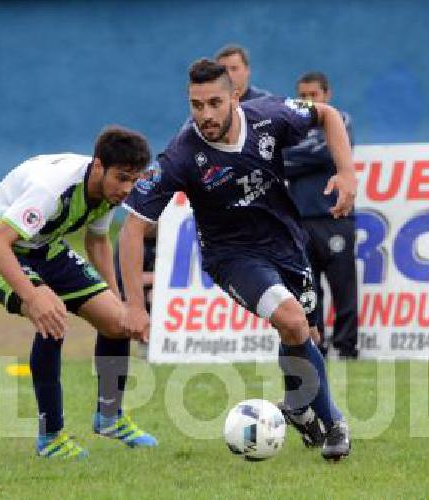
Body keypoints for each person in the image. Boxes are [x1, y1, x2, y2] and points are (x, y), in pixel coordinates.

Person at [118, 58, 357, 461]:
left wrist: (346, 172)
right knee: (293, 320)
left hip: (286, 243)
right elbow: (132, 228)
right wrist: (134, 306)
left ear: (235, 97)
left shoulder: (269, 116)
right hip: (233, 257)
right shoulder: (181, 155)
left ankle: (298, 408)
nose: (205, 115)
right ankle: (334, 424)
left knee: (304, 338)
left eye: (214, 102)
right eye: (196, 105)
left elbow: (327, 115)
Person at [0, 126, 159, 460]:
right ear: (98, 166)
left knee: (117, 322)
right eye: (122, 178)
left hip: (43, 246)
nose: (127, 189)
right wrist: (33, 296)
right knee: (51, 314)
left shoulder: (108, 191)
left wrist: (116, 297)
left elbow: (97, 240)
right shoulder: (52, 190)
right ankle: (51, 436)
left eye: (134, 180)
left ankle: (109, 417)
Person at [282, 71, 360, 360]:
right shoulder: (290, 128)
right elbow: (280, 161)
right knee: (309, 289)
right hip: (300, 220)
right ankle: (317, 347)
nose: (308, 101)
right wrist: (304, 155)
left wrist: (296, 158)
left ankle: (347, 347)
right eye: (302, 96)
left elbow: (327, 153)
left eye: (313, 95)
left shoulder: (340, 120)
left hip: (335, 217)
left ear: (326, 95)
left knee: (343, 287)